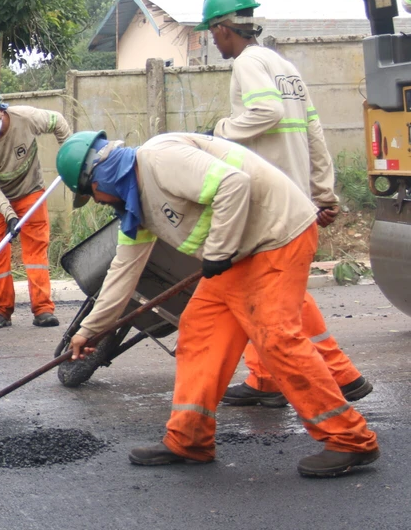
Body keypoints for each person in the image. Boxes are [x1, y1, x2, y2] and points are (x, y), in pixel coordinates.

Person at [58, 130, 379, 478]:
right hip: (239, 254)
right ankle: (189, 439)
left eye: (92, 195)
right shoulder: (136, 207)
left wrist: (219, 251)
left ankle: (349, 440)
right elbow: (122, 272)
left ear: (100, 176)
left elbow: (233, 184)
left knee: (276, 337)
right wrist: (90, 331)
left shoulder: (159, 158)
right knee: (199, 332)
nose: (100, 202)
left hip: (276, 235)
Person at [197, 0, 371, 407]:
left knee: (276, 292)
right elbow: (313, 132)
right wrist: (323, 195)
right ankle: (265, 380)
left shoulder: (247, 63)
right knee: (266, 288)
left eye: (211, 32)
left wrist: (219, 131)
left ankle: (341, 375)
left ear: (223, 29)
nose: (213, 41)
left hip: (269, 202)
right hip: (295, 197)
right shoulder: (284, 67)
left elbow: (267, 112)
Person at [0, 82, 71, 329]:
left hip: (30, 191)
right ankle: (1, 311)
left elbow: (58, 122)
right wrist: (9, 214)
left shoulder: (25, 118)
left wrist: (69, 153)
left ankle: (43, 309)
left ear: (0, 109)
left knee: (35, 251)